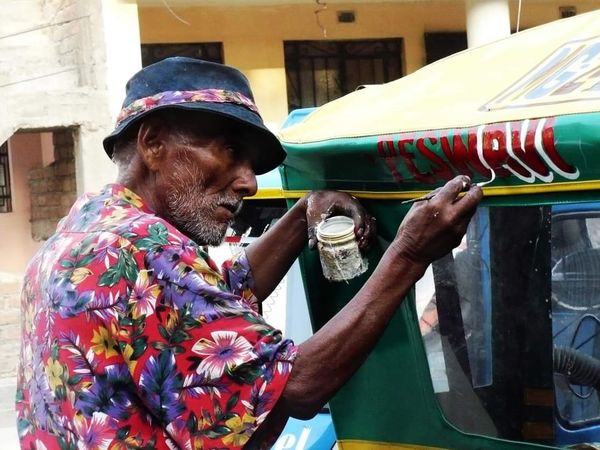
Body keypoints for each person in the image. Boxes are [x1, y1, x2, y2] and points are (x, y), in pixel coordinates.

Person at [16, 57, 482, 450]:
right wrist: (408, 254)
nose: (250, 182)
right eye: (230, 151)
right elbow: (295, 386)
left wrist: (302, 218)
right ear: (154, 143)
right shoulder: (145, 251)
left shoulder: (83, 228)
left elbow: (208, 304)